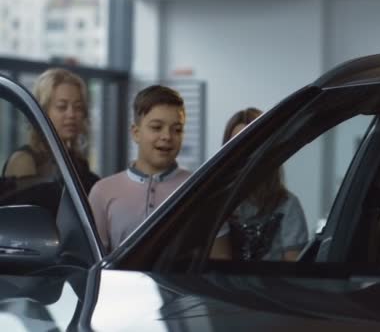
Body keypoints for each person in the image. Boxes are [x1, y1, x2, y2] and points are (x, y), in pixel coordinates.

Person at [88, 85, 230, 255]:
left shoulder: (202, 188)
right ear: (136, 133)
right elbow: (94, 264)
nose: (167, 136)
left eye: (177, 129)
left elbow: (220, 261)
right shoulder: (102, 192)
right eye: (156, 127)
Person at [224, 107, 308, 261]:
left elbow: (292, 271)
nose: (245, 152)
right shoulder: (217, 204)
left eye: (253, 144)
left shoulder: (288, 205)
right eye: (236, 144)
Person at [3, 68, 99, 193]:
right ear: (42, 111)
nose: (71, 114)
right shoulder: (24, 161)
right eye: (62, 107)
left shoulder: (78, 162)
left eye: (78, 107)